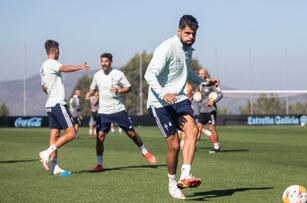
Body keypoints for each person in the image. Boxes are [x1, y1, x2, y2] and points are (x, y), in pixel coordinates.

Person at [144, 15, 219, 199]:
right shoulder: (166, 48)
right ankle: (172, 184)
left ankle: (185, 174)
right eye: (187, 33)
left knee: (192, 131)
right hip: (159, 103)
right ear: (178, 31)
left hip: (179, 100)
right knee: (174, 146)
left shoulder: (188, 50)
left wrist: (204, 82)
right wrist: (163, 93)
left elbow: (186, 72)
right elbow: (149, 74)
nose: (191, 37)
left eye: (193, 34)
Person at [86, 52, 157, 172]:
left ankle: (145, 152)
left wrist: (119, 90)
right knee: (100, 136)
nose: (104, 64)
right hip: (103, 112)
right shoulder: (97, 75)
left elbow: (129, 87)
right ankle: (99, 164)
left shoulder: (118, 74)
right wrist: (90, 94)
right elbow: (92, 89)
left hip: (118, 110)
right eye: (102, 61)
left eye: (106, 61)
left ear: (110, 62)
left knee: (131, 134)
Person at [39, 39, 89, 176]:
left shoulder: (43, 67)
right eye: (59, 50)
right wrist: (80, 67)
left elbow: (43, 88)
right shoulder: (52, 63)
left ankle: (55, 167)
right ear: (55, 50)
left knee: (54, 135)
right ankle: (46, 153)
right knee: (72, 133)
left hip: (49, 105)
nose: (59, 52)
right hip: (57, 104)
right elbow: (64, 68)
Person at [196, 68, 223, 153]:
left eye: (202, 74)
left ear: (206, 74)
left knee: (212, 128)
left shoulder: (212, 83)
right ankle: (193, 145)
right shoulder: (199, 84)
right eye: (199, 74)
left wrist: (213, 101)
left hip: (211, 110)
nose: (200, 75)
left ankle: (216, 147)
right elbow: (198, 95)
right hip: (203, 109)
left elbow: (220, 94)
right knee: (198, 128)